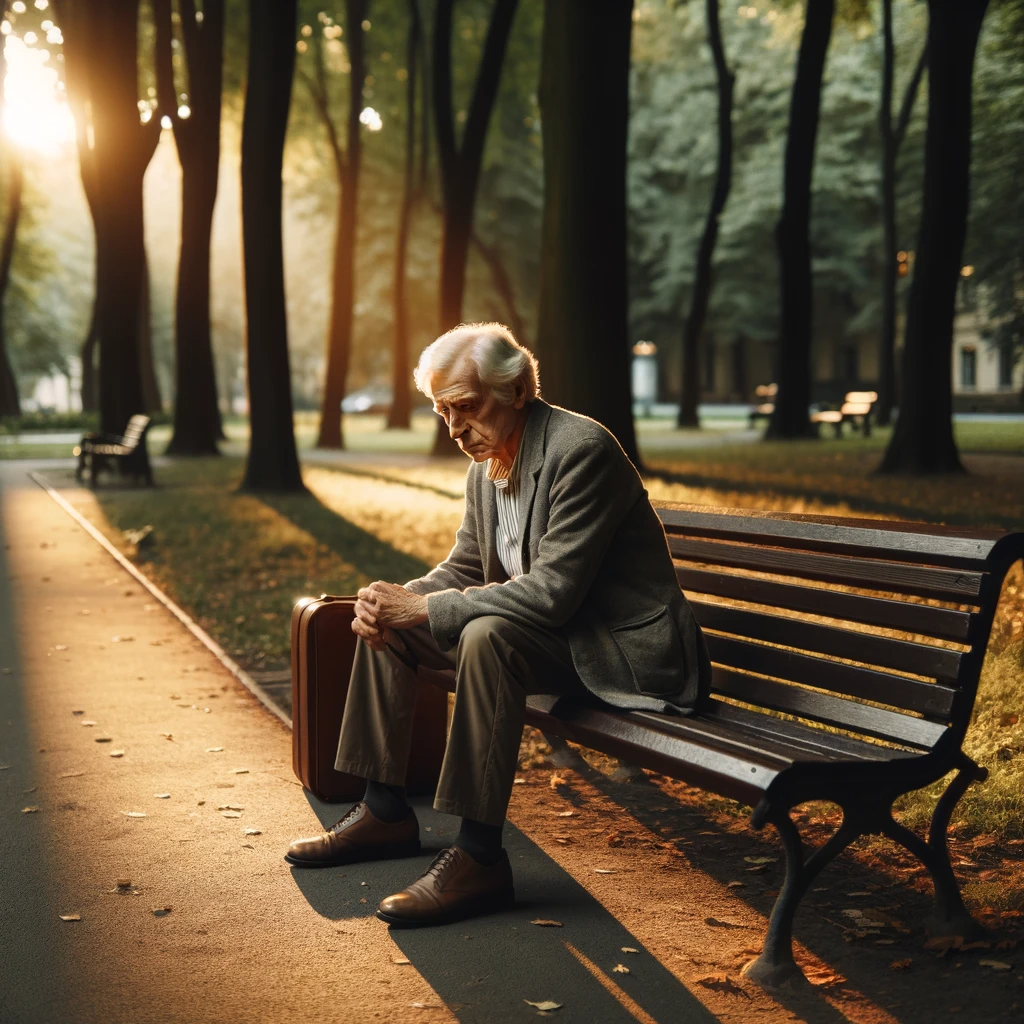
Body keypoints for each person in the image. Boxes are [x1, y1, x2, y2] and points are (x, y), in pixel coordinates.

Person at [285, 322, 710, 926]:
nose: (455, 429)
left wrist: (426, 608)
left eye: (465, 407)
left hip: (619, 652)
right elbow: (463, 566)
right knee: (393, 618)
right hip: (555, 641)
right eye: (442, 411)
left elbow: (553, 594)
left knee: (487, 633)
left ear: (515, 392)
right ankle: (383, 812)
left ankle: (479, 856)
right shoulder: (487, 463)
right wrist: (399, 598)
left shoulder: (579, 450)